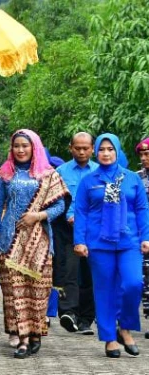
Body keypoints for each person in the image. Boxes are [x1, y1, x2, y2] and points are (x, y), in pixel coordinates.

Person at [0, 129, 67, 359]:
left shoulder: (48, 174)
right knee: (14, 292)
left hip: (39, 241)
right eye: (16, 146)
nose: (20, 150)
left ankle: (35, 334)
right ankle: (22, 339)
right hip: (9, 242)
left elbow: (59, 207)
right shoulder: (5, 174)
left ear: (34, 147)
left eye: (25, 145)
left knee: (38, 291)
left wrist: (37, 216)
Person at [74, 133, 149, 358]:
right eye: (102, 150)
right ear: (96, 153)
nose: (106, 153)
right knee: (104, 291)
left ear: (117, 152)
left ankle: (124, 327)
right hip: (99, 243)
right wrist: (79, 241)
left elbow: (142, 209)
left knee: (133, 283)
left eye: (110, 149)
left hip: (129, 241)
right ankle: (109, 338)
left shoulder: (131, 179)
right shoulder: (89, 180)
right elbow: (81, 212)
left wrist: (146, 236)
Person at [50, 133, 98, 335]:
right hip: (66, 229)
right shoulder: (60, 172)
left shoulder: (99, 171)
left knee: (90, 273)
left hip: (94, 229)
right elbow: (54, 201)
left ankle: (86, 318)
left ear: (92, 148)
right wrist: (68, 215)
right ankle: (68, 312)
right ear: (70, 148)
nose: (81, 151)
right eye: (77, 147)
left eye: (85, 148)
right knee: (67, 269)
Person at [136, 137, 149, 340]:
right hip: (143, 234)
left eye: (148, 154)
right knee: (146, 278)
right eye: (142, 154)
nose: (145, 158)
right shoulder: (136, 177)